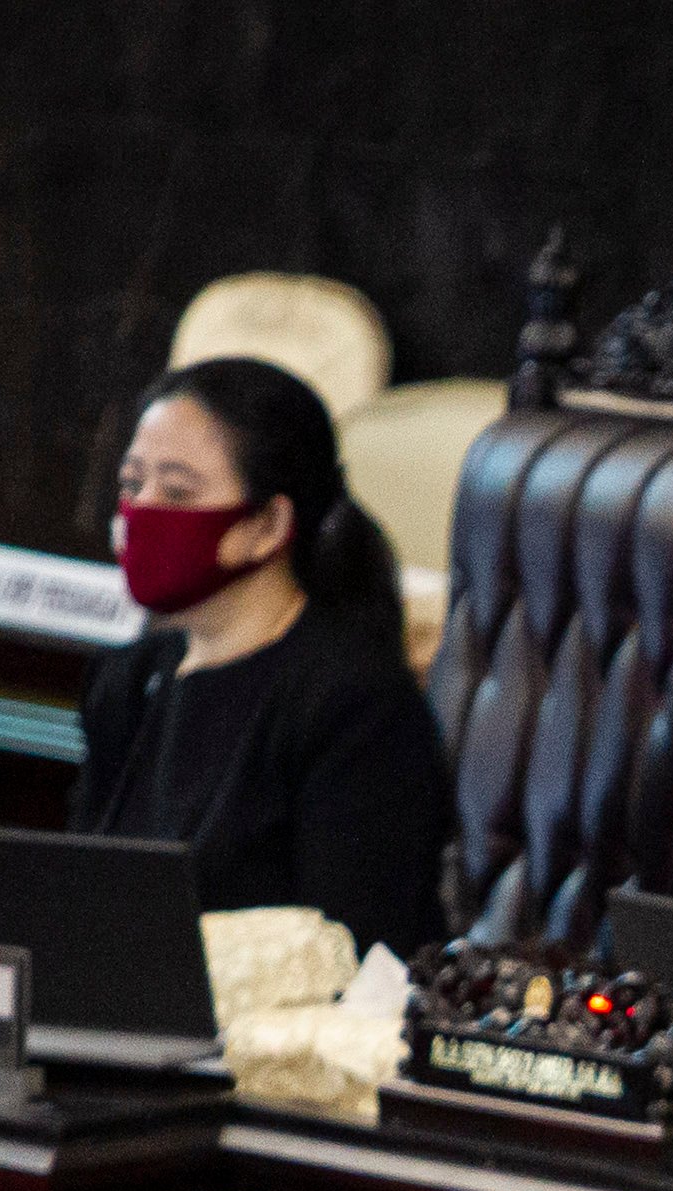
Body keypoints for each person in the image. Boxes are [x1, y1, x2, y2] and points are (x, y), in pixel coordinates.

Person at [71, 357, 452, 957]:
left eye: (176, 491)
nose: (140, 511)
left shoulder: (357, 706)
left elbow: (356, 953)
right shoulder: (128, 679)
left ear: (268, 524)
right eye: (131, 484)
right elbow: (81, 900)